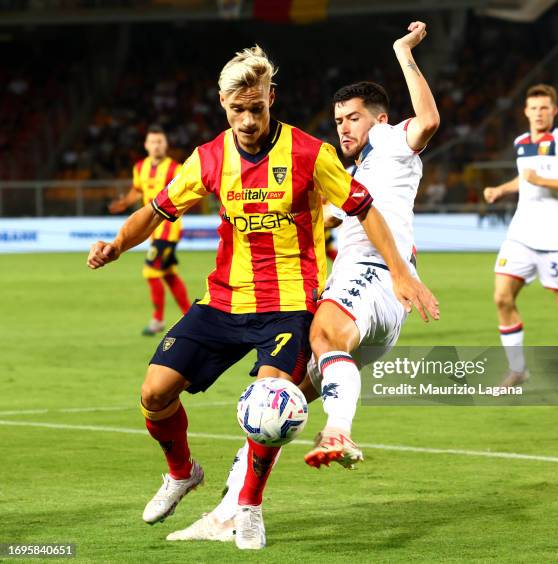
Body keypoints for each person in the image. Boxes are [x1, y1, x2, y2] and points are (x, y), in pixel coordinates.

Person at [87, 45, 438, 551]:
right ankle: (183, 473)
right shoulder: (208, 159)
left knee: (272, 402)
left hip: (290, 302)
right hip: (224, 299)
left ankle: (248, 507)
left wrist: (401, 274)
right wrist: (117, 244)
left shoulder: (309, 153)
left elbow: (365, 210)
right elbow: (157, 209)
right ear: (223, 106)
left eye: (257, 107)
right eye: (237, 110)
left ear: (272, 98)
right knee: (153, 394)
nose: (248, 120)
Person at [483, 83, 558, 392]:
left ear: (554, 111)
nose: (539, 113)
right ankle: (518, 369)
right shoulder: (521, 143)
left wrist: (540, 179)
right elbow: (524, 178)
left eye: (545, 108)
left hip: (556, 240)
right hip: (520, 236)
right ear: (526, 111)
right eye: (534, 108)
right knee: (502, 297)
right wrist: (501, 189)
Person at [108, 125, 190, 335]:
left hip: (168, 229)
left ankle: (158, 320)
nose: (156, 146)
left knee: (151, 271)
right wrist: (124, 203)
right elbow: (137, 190)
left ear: (166, 145)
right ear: (146, 145)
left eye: (160, 142)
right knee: (169, 274)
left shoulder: (176, 168)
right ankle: (190, 316)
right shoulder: (140, 168)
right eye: (152, 142)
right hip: (152, 231)